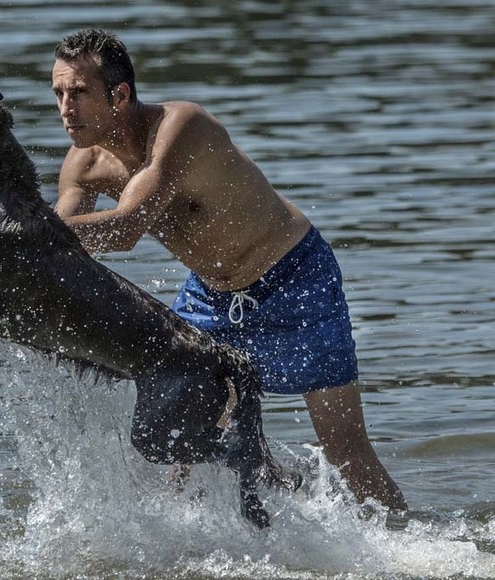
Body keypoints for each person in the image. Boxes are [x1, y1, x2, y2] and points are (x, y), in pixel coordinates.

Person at [50, 28, 407, 512]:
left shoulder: (181, 127)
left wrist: (17, 230)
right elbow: (56, 233)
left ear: (119, 95)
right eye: (58, 94)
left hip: (296, 278)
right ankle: (227, 529)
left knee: (346, 451)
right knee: (186, 450)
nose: (66, 108)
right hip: (211, 296)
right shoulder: (82, 164)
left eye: (78, 93)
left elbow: (126, 228)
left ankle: (414, 545)